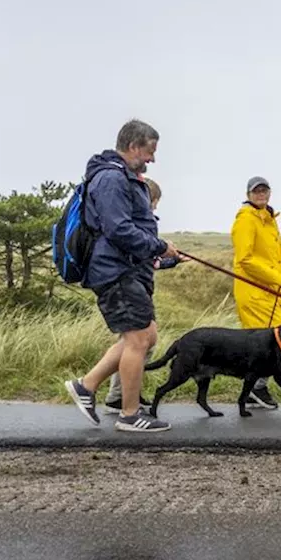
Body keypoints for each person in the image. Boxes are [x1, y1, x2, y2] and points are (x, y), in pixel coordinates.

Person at [64, 119, 178, 432]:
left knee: (146, 335)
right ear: (132, 146)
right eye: (149, 151)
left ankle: (86, 386)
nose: (152, 159)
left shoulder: (121, 176)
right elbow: (119, 229)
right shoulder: (111, 179)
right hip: (116, 270)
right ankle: (129, 415)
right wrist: (159, 246)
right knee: (138, 340)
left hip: (127, 268)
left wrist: (157, 253)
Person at [102, 177, 182, 414]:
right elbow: (144, 257)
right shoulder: (139, 225)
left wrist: (171, 261)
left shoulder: (135, 224)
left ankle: (119, 395)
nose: (155, 208)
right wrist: (163, 252)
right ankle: (115, 397)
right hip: (135, 287)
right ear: (151, 199)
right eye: (155, 203)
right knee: (139, 343)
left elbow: (150, 261)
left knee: (136, 343)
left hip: (138, 284)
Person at [230, 176, 281, 408]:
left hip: (270, 292)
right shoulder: (246, 220)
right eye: (256, 191)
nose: (261, 194)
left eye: (264, 190)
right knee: (271, 344)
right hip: (253, 292)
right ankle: (256, 388)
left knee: (274, 343)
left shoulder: (269, 220)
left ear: (270, 193)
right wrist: (278, 279)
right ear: (248, 195)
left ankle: (256, 389)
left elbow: (278, 260)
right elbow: (245, 260)